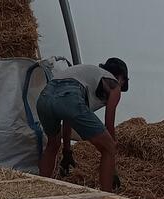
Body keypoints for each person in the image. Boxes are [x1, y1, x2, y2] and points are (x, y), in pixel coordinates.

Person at [37, 58, 128, 191]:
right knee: (108, 147)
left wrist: (67, 151)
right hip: (70, 95)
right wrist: (112, 165)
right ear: (121, 77)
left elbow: (68, 117)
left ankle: (41, 190)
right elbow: (109, 123)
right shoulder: (115, 85)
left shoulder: (89, 75)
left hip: (45, 97)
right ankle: (107, 196)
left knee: (53, 145)